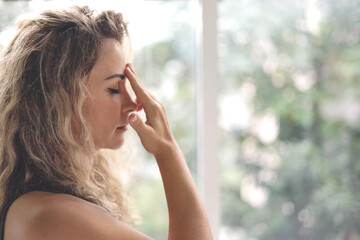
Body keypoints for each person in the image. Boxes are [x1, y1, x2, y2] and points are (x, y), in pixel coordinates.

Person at [0, 6, 213, 240]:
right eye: (114, 88)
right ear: (60, 100)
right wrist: (167, 151)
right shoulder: (54, 214)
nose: (134, 102)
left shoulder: (39, 205)